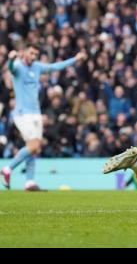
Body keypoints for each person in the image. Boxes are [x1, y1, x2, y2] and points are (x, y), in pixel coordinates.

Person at [1, 43, 86, 190]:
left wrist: (75, 59)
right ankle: (8, 169)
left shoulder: (37, 67)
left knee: (33, 148)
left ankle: (29, 182)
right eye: (31, 53)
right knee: (34, 145)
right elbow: (11, 69)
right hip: (22, 113)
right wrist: (10, 59)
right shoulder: (18, 66)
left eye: (35, 54)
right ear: (24, 52)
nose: (33, 57)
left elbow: (55, 67)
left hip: (36, 113)